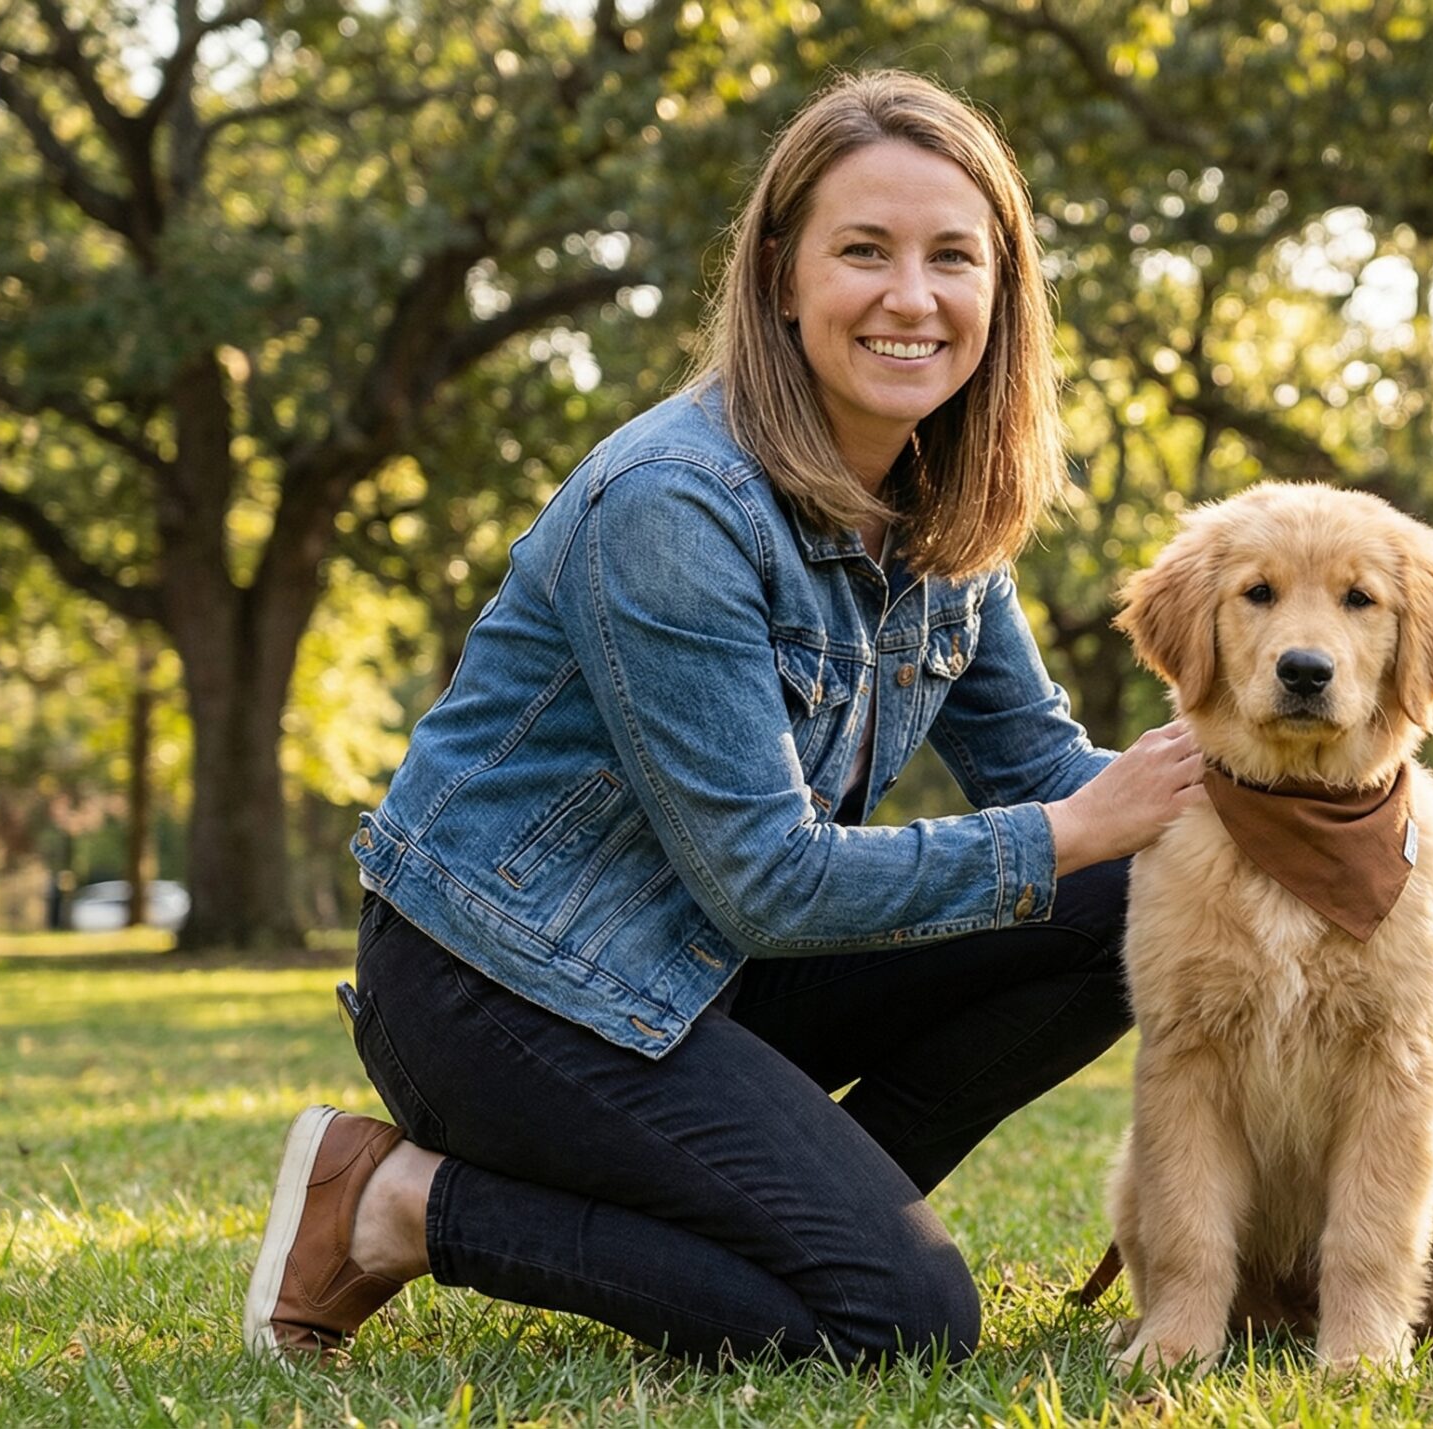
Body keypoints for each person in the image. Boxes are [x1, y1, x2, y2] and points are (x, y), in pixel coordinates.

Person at [240, 70, 1205, 1366]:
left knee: (1135, 892)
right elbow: (770, 881)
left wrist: (1289, 817)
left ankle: (784, 1220)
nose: (911, 296)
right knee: (895, 1319)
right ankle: (399, 1205)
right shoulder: (676, 503)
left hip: (708, 972)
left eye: (952, 258)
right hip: (509, 986)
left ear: (1002, 290)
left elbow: (1045, 769)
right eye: (863, 250)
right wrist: (1076, 826)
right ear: (777, 275)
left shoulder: (943, 500)